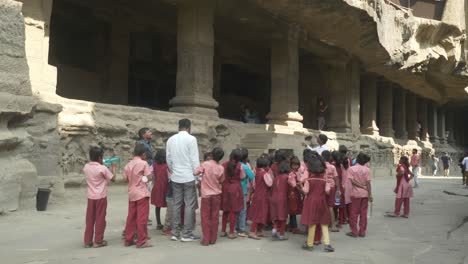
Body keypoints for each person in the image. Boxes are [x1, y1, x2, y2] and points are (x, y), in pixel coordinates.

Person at [166, 119, 200, 242]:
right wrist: (197, 176)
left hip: (176, 176)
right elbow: (194, 159)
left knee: (176, 204)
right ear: (189, 127)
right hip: (189, 176)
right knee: (189, 205)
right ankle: (187, 233)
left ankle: (175, 233)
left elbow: (168, 159)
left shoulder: (171, 139)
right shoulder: (191, 139)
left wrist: (173, 170)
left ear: (179, 127)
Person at [301, 152, 335, 252]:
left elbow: (305, 191)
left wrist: (300, 187)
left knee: (312, 223)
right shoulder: (324, 180)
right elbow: (327, 191)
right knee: (323, 223)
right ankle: (327, 244)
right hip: (322, 202)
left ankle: (310, 244)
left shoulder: (309, 180)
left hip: (311, 202)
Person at [83, 146, 116, 248]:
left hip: (91, 196)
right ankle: (98, 240)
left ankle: (87, 241)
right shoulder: (103, 168)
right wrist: (114, 167)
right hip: (101, 196)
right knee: (100, 218)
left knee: (90, 219)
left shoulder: (86, 167)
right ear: (100, 158)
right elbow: (113, 179)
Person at [123, 144, 153, 248]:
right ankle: (142, 240)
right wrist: (143, 179)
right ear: (143, 154)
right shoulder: (144, 163)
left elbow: (125, 179)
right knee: (142, 218)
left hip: (132, 193)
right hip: (141, 193)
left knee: (131, 217)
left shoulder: (128, 164)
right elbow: (149, 177)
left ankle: (128, 239)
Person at [194, 147, 225, 246]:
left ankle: (206, 239)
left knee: (205, 217)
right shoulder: (221, 168)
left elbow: (195, 172)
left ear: (211, 154)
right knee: (215, 217)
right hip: (216, 194)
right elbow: (221, 180)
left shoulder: (205, 164)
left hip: (206, 195)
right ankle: (213, 239)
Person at [221, 149, 246, 239]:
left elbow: (221, 176)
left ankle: (223, 231)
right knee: (233, 211)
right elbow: (242, 177)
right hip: (235, 189)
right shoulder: (240, 166)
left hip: (226, 187)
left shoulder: (223, 165)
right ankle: (231, 232)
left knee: (225, 210)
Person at [346, 153, 372, 238]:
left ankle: (354, 231)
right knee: (363, 213)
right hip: (364, 194)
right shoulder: (367, 169)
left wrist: (362, 186)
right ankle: (362, 231)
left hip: (355, 193)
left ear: (357, 159)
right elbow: (368, 183)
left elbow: (352, 181)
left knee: (354, 213)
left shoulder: (351, 169)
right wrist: (370, 193)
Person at [248, 157, 273, 240]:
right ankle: (252, 231)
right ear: (265, 166)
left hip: (257, 195)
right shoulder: (265, 174)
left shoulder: (257, 173)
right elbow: (270, 184)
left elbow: (254, 184)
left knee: (260, 213)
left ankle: (259, 231)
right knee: (259, 214)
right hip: (263, 196)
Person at [270, 162, 292, 241]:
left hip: (274, 198)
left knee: (276, 216)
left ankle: (275, 229)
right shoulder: (287, 177)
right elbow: (289, 188)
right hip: (282, 199)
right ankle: (282, 234)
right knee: (283, 217)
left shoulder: (276, 178)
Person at [236, 148, 255, 237]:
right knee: (242, 210)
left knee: (235, 210)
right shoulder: (245, 166)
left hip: (234, 190)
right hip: (242, 190)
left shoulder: (234, 165)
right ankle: (242, 229)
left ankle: (235, 227)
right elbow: (252, 176)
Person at [151, 150, 169, 231]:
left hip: (157, 187)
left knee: (157, 206)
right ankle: (168, 222)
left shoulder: (154, 165)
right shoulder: (167, 166)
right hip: (166, 187)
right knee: (169, 205)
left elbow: (150, 174)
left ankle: (158, 223)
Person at [322, 150, 340, 232]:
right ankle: (333, 225)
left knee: (322, 206)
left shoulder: (320, 166)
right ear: (329, 157)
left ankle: (322, 224)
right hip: (332, 187)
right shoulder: (332, 167)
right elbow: (336, 179)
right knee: (330, 207)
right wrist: (338, 189)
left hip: (322, 187)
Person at [287, 156, 304, 234]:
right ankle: (294, 227)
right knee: (293, 210)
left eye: (297, 165)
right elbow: (294, 185)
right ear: (291, 165)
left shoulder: (297, 172)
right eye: (294, 165)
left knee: (293, 210)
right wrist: (301, 190)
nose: (295, 167)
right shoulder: (291, 174)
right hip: (293, 193)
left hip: (296, 193)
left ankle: (291, 225)